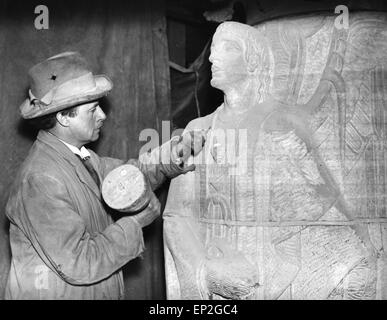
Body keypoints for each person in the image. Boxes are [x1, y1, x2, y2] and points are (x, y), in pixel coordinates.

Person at [163, 21, 380, 300]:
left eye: (227, 48)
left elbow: (323, 202)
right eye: (213, 48)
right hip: (220, 281)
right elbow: (177, 215)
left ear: (254, 61)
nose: (213, 57)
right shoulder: (199, 129)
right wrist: (205, 274)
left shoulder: (284, 123)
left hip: (280, 278)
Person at [5, 51, 203, 299]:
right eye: (93, 109)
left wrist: (172, 156)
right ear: (64, 118)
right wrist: (135, 223)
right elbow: (79, 262)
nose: (103, 116)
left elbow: (131, 174)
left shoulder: (80, 158)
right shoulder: (40, 180)